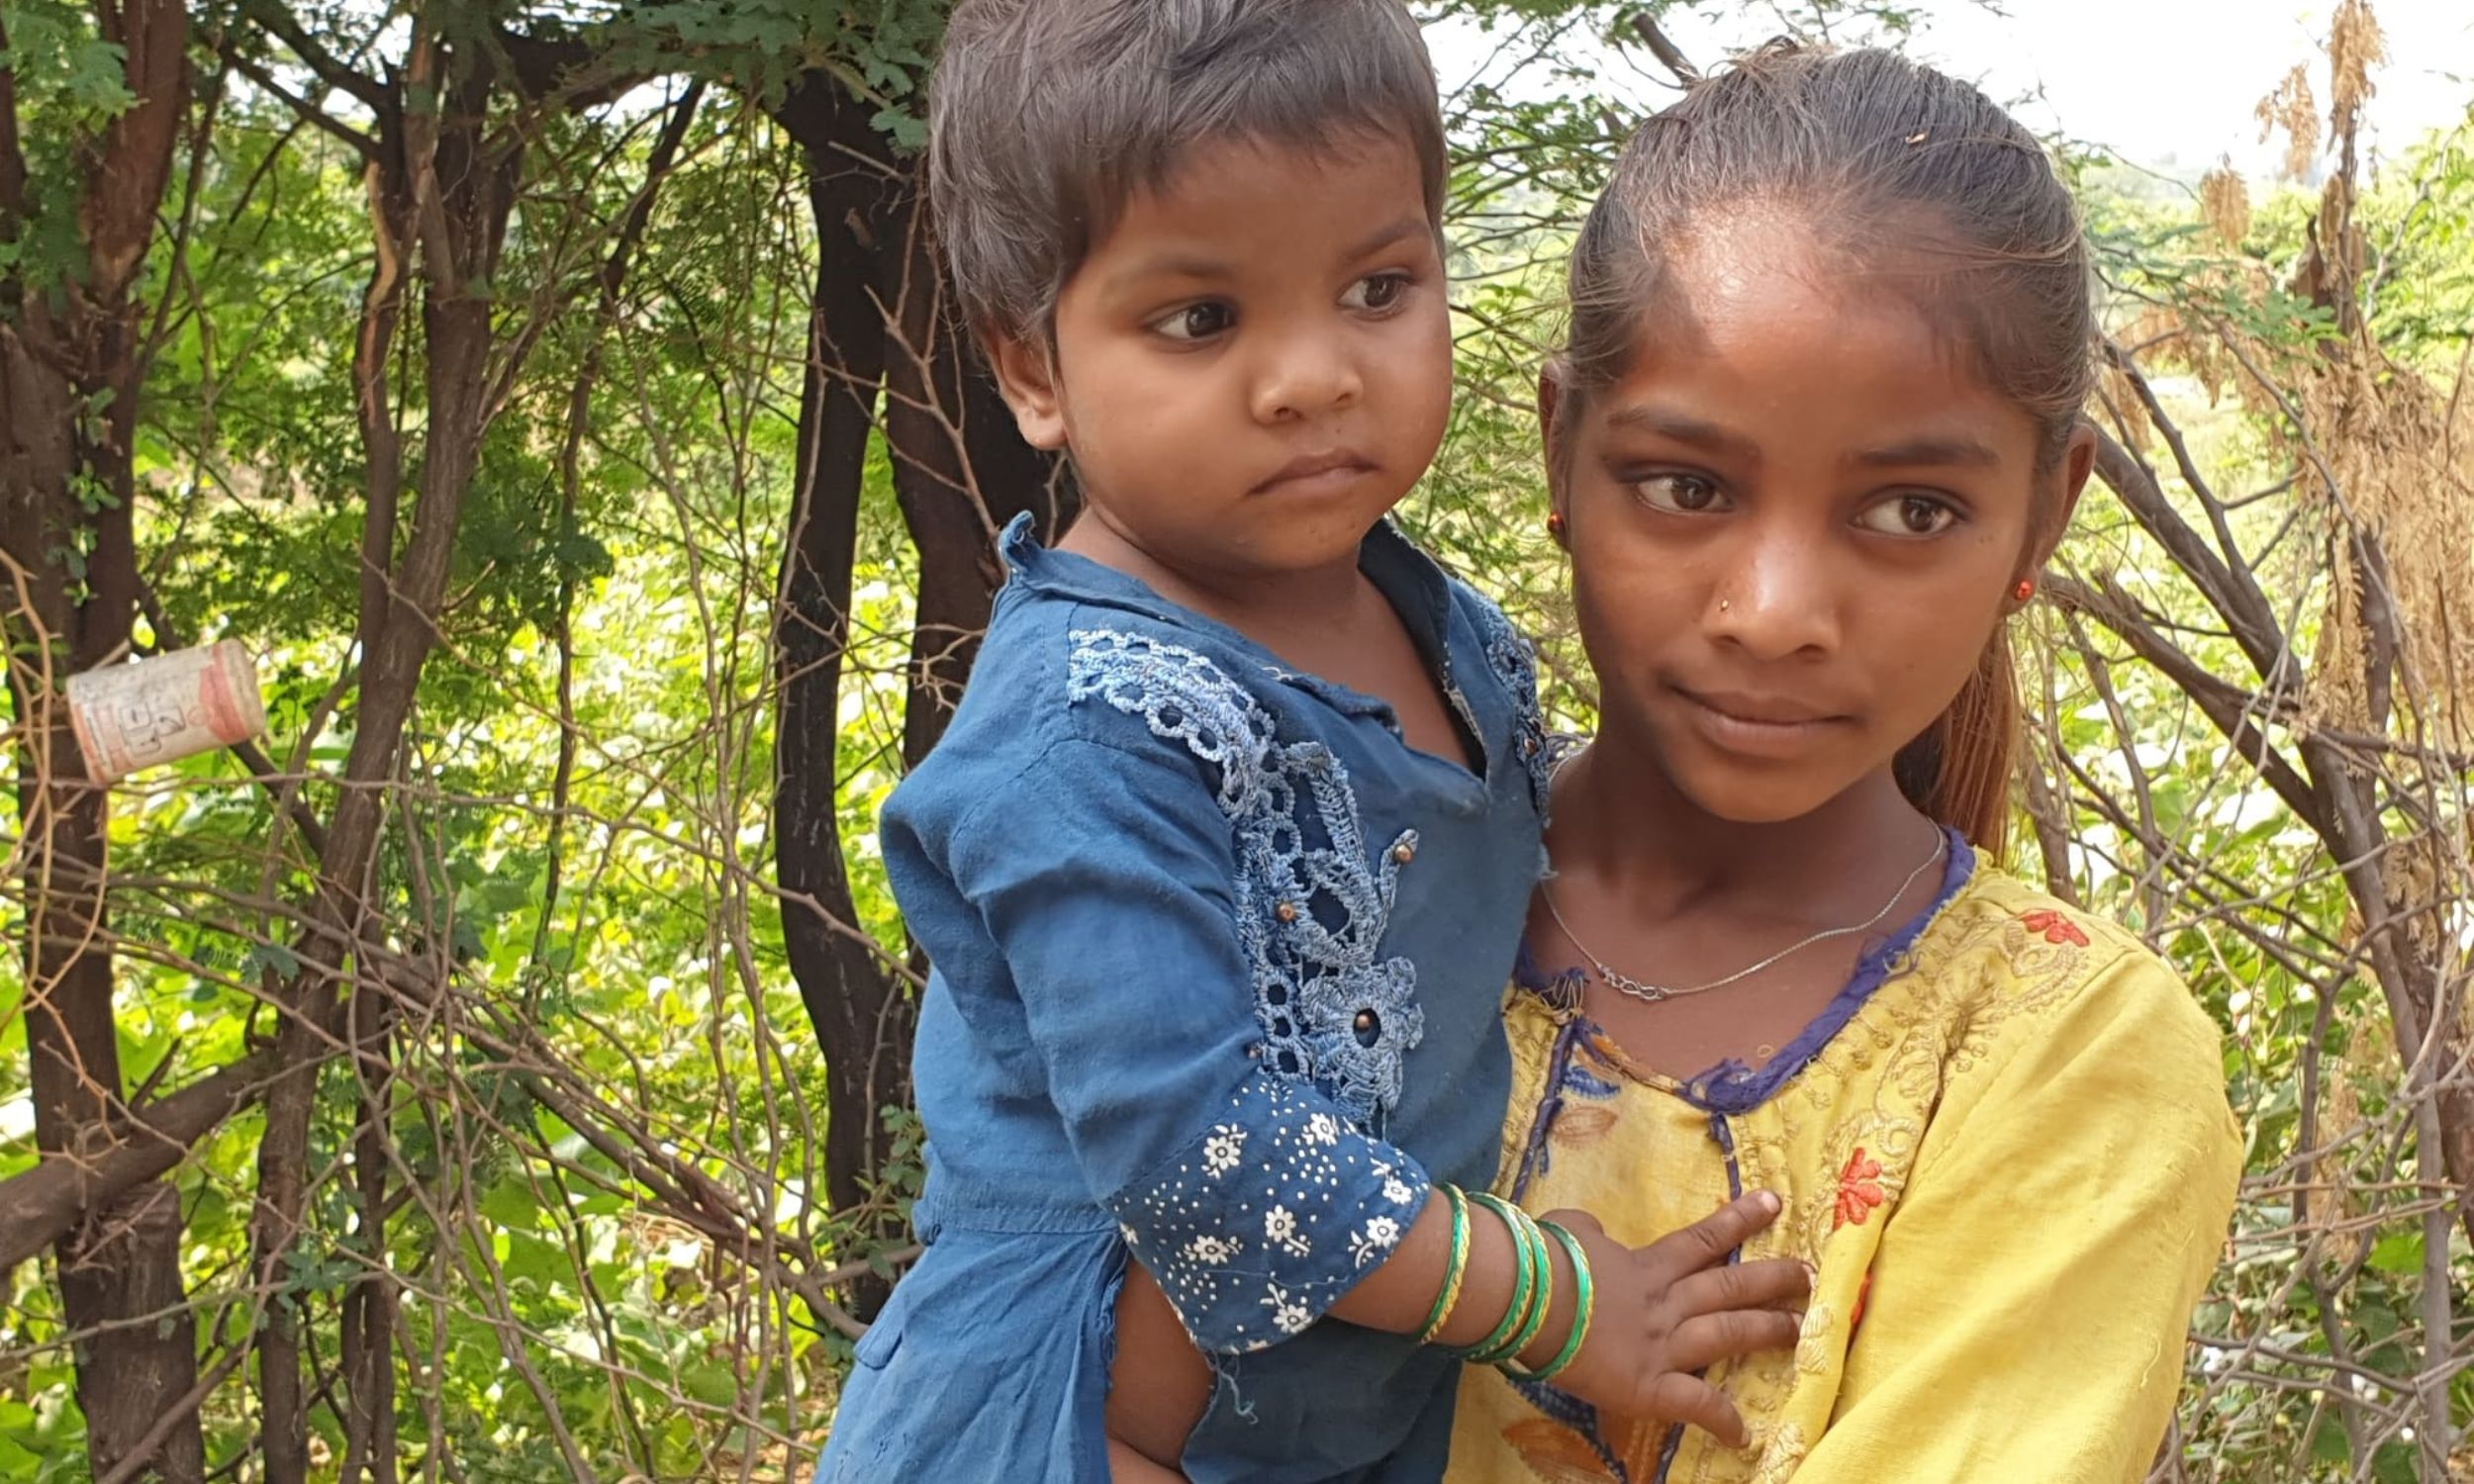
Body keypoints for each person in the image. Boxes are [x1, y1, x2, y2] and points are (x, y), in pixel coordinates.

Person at [813, 5, 1809, 1483]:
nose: (1311, 377)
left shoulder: (1440, 625)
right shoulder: (1090, 728)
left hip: (1339, 1424)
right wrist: (1556, 1298)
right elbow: (1203, 1156)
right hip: (1074, 1431)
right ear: (1033, 366)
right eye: (1202, 320)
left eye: (1376, 286)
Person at [1446, 44, 2244, 1484]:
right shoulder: (1335, 887)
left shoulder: (2065, 1063)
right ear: (1564, 452)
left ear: (2042, 525)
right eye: (1688, 487)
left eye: (1912, 510)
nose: (1775, 613)